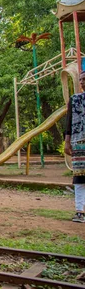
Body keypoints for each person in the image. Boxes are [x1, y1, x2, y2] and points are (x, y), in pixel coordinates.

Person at [63, 70, 85, 223]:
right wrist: (67, 140)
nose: (82, 82)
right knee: (79, 178)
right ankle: (79, 211)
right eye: (81, 79)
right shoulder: (75, 99)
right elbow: (69, 121)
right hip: (79, 143)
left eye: (84, 79)